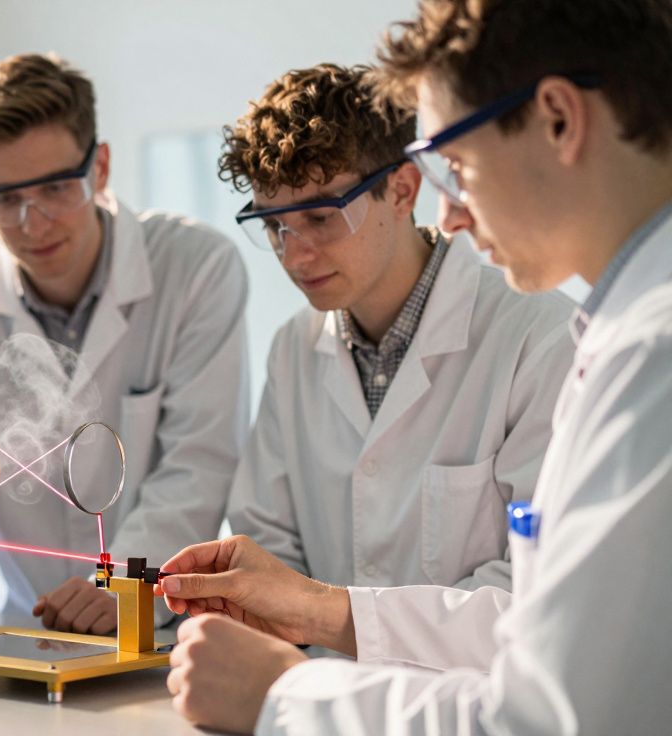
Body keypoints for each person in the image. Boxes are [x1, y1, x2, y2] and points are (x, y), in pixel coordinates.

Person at [160, 0, 672, 732]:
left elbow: (554, 711)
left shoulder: (635, 349)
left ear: (559, 118)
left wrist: (286, 694)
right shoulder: (625, 333)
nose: (451, 213)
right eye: (275, 228)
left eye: (456, 165)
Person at [0, 53, 250, 634]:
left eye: (54, 187)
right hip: (13, 626)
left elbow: (198, 463)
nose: (34, 222)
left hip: (157, 625)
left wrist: (126, 582)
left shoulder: (197, 267)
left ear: (100, 167)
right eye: (4, 199)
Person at [223, 63, 573, 594]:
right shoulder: (293, 348)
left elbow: (533, 583)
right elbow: (267, 543)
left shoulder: (538, 336)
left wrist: (348, 626)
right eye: (275, 226)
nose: (294, 256)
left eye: (321, 217)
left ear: (403, 190)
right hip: (309, 655)